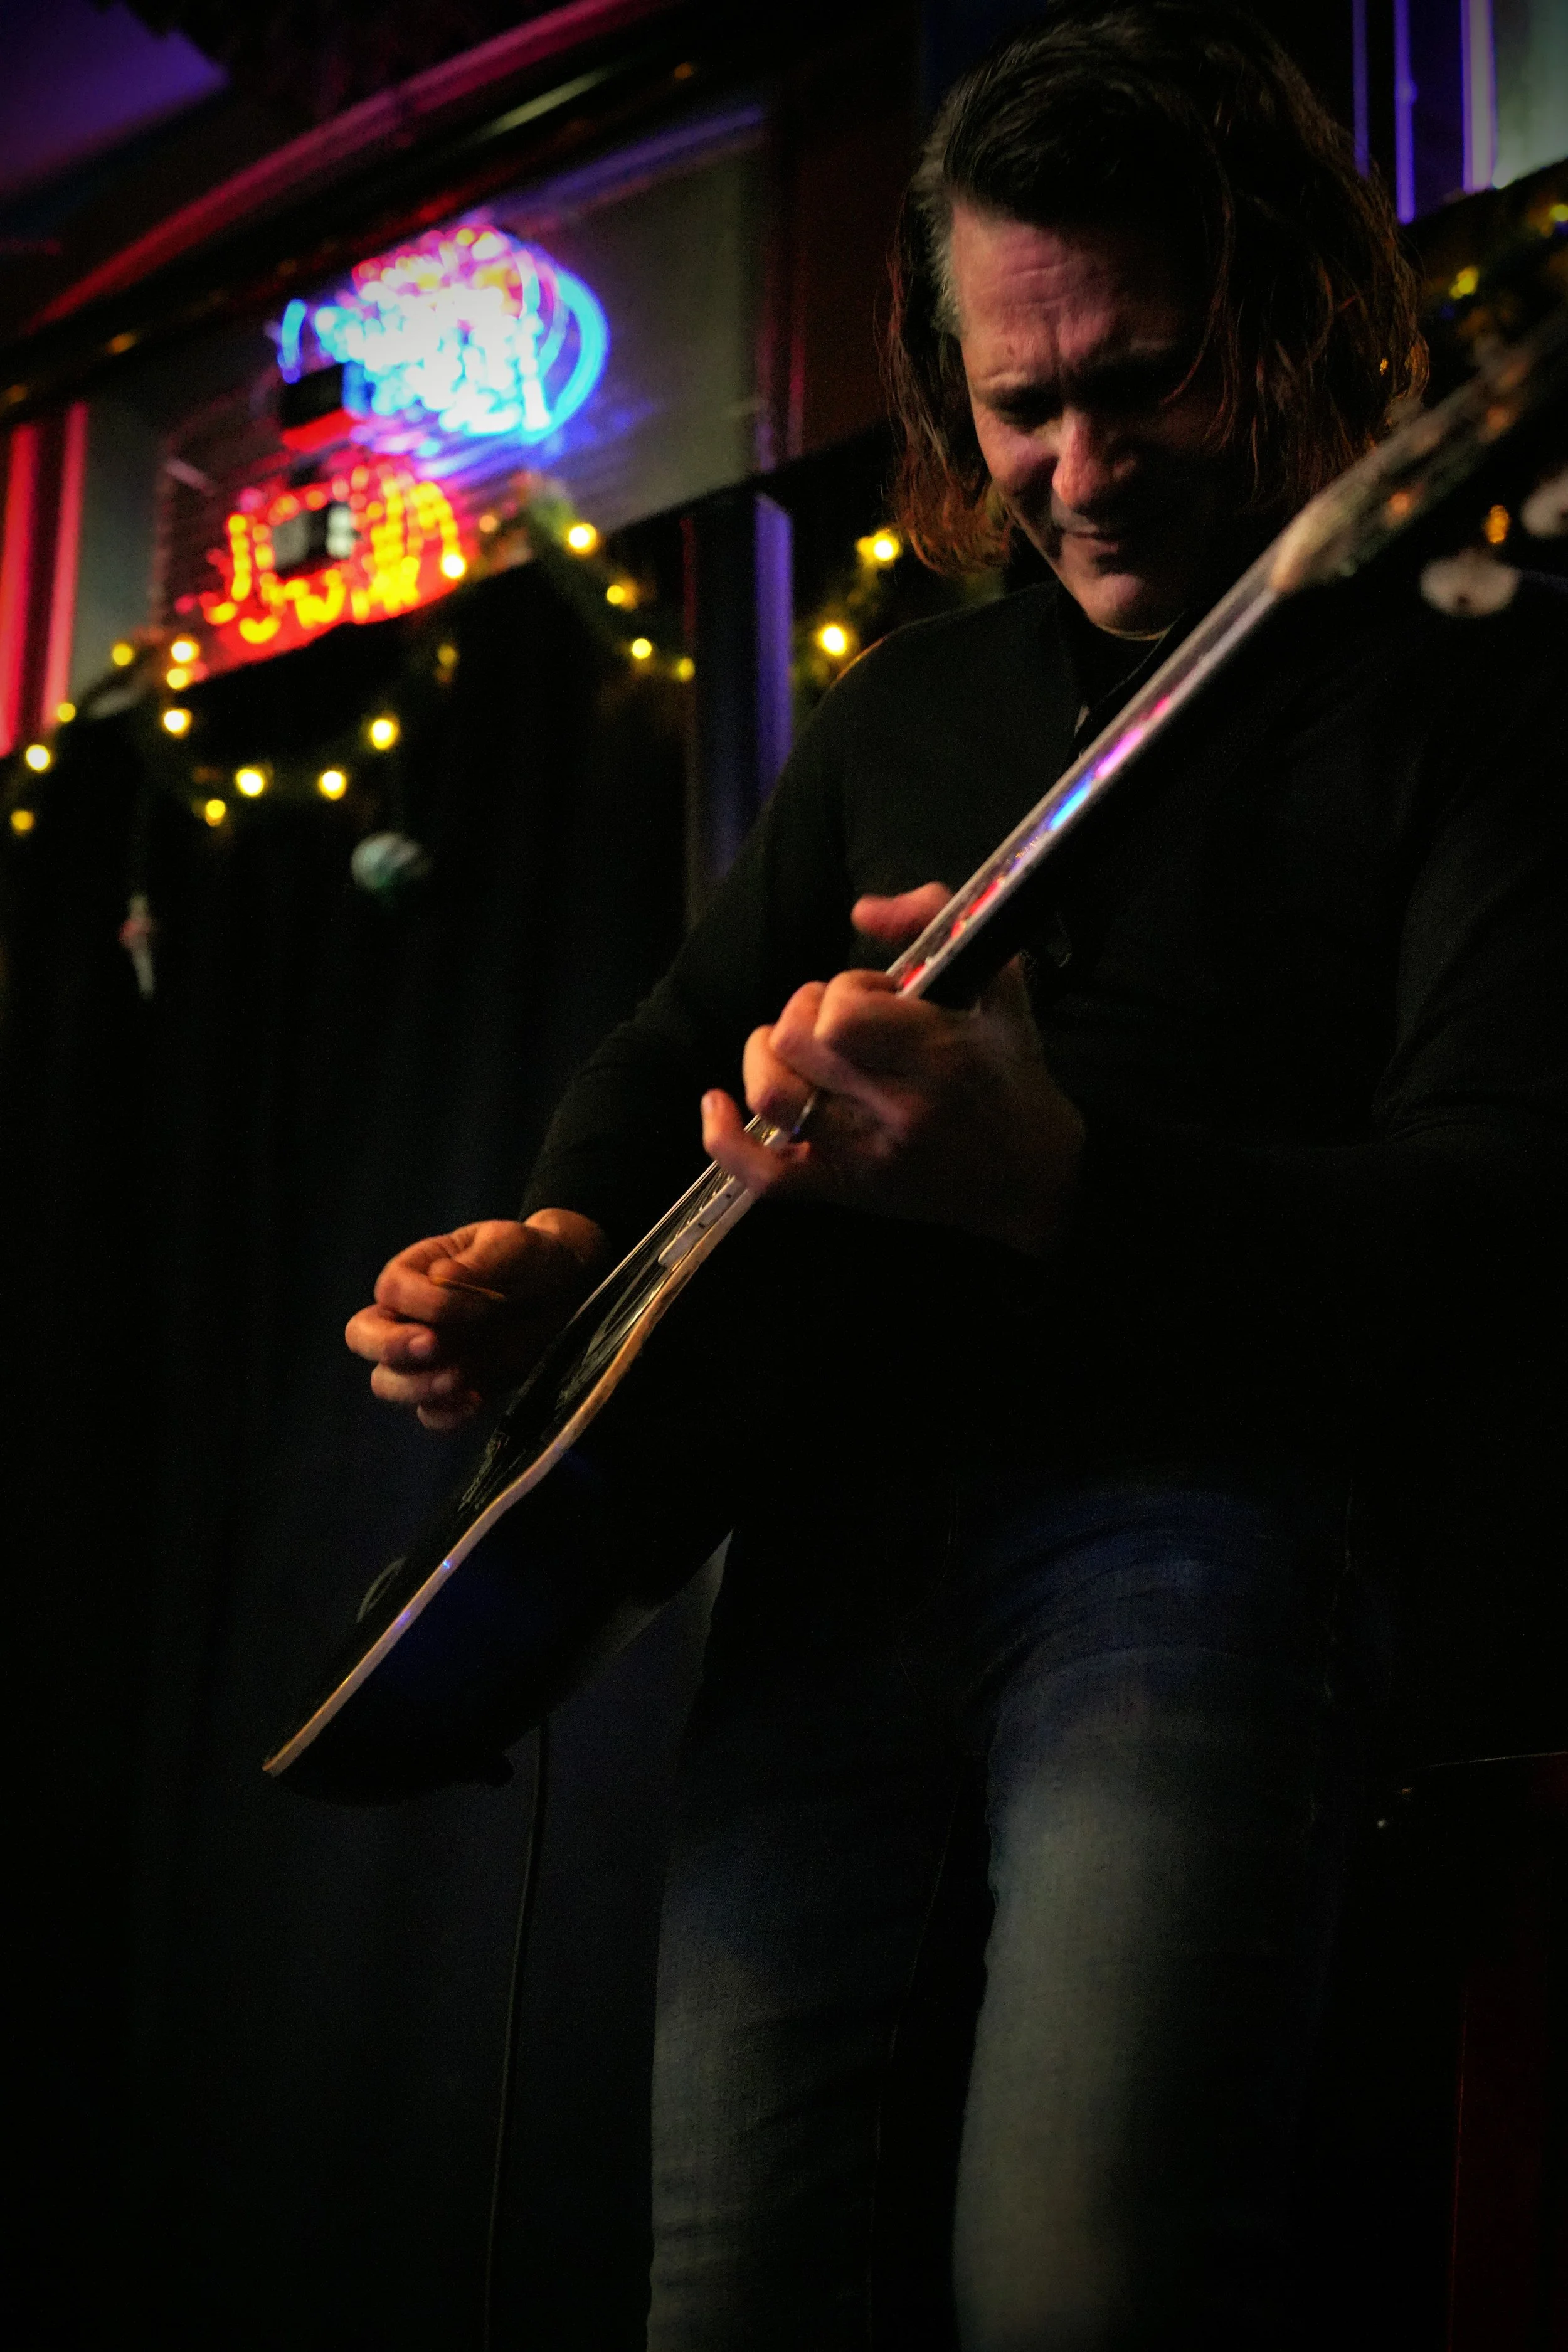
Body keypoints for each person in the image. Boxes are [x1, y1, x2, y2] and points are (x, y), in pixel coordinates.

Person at [346, 6, 1567, 2343]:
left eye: (1153, 378)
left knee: (1077, 2271)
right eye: (1023, 404)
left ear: (1304, 310)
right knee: (730, 2283)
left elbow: (1511, 1218)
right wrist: (552, 1245)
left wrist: (1055, 1182)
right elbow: (671, 1044)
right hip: (829, 1553)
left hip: (1203, 1533)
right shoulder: (917, 706)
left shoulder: (1483, 691)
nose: (1081, 469)